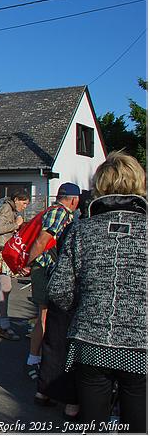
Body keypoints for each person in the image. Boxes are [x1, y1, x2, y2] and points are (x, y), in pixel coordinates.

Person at [48, 152, 147, 433]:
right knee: (140, 423)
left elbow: (59, 290)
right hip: (143, 344)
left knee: (92, 425)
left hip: (91, 342)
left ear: (101, 185)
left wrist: (85, 307)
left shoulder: (81, 230)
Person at [22, 182, 80, 382]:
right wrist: (29, 263)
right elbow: (42, 240)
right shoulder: (60, 213)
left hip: (47, 269)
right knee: (44, 317)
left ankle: (39, 359)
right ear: (73, 199)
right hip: (46, 269)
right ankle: (34, 360)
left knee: (47, 317)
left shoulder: (54, 211)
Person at [0, 191, 30, 341]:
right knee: (5, 287)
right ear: (16, 199)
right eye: (24, 203)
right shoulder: (6, 209)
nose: (25, 207)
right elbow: (0, 228)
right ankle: (3, 325)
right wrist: (16, 224)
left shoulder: (8, 209)